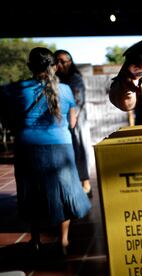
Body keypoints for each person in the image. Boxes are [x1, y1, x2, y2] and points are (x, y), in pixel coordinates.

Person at [0, 47, 91, 255]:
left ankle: (36, 241)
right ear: (53, 67)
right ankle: (64, 242)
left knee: (31, 192)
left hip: (27, 147)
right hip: (61, 146)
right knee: (64, 192)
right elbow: (72, 122)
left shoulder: (16, 89)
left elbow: (8, 116)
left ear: (30, 67)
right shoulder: (66, 90)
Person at [54, 49, 92, 198]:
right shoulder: (53, 80)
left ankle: (86, 183)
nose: (59, 64)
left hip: (77, 122)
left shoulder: (75, 78)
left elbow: (77, 101)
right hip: (61, 124)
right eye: (56, 61)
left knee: (81, 150)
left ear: (70, 62)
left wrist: (67, 118)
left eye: (63, 61)